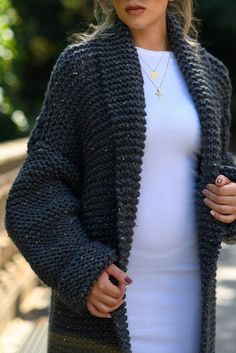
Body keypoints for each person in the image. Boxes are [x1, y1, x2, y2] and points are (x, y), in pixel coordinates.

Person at [4, 1, 236, 353]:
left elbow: (219, 171)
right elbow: (36, 192)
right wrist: (79, 268)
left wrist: (231, 198)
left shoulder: (211, 74)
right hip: (106, 303)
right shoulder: (80, 67)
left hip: (187, 302)